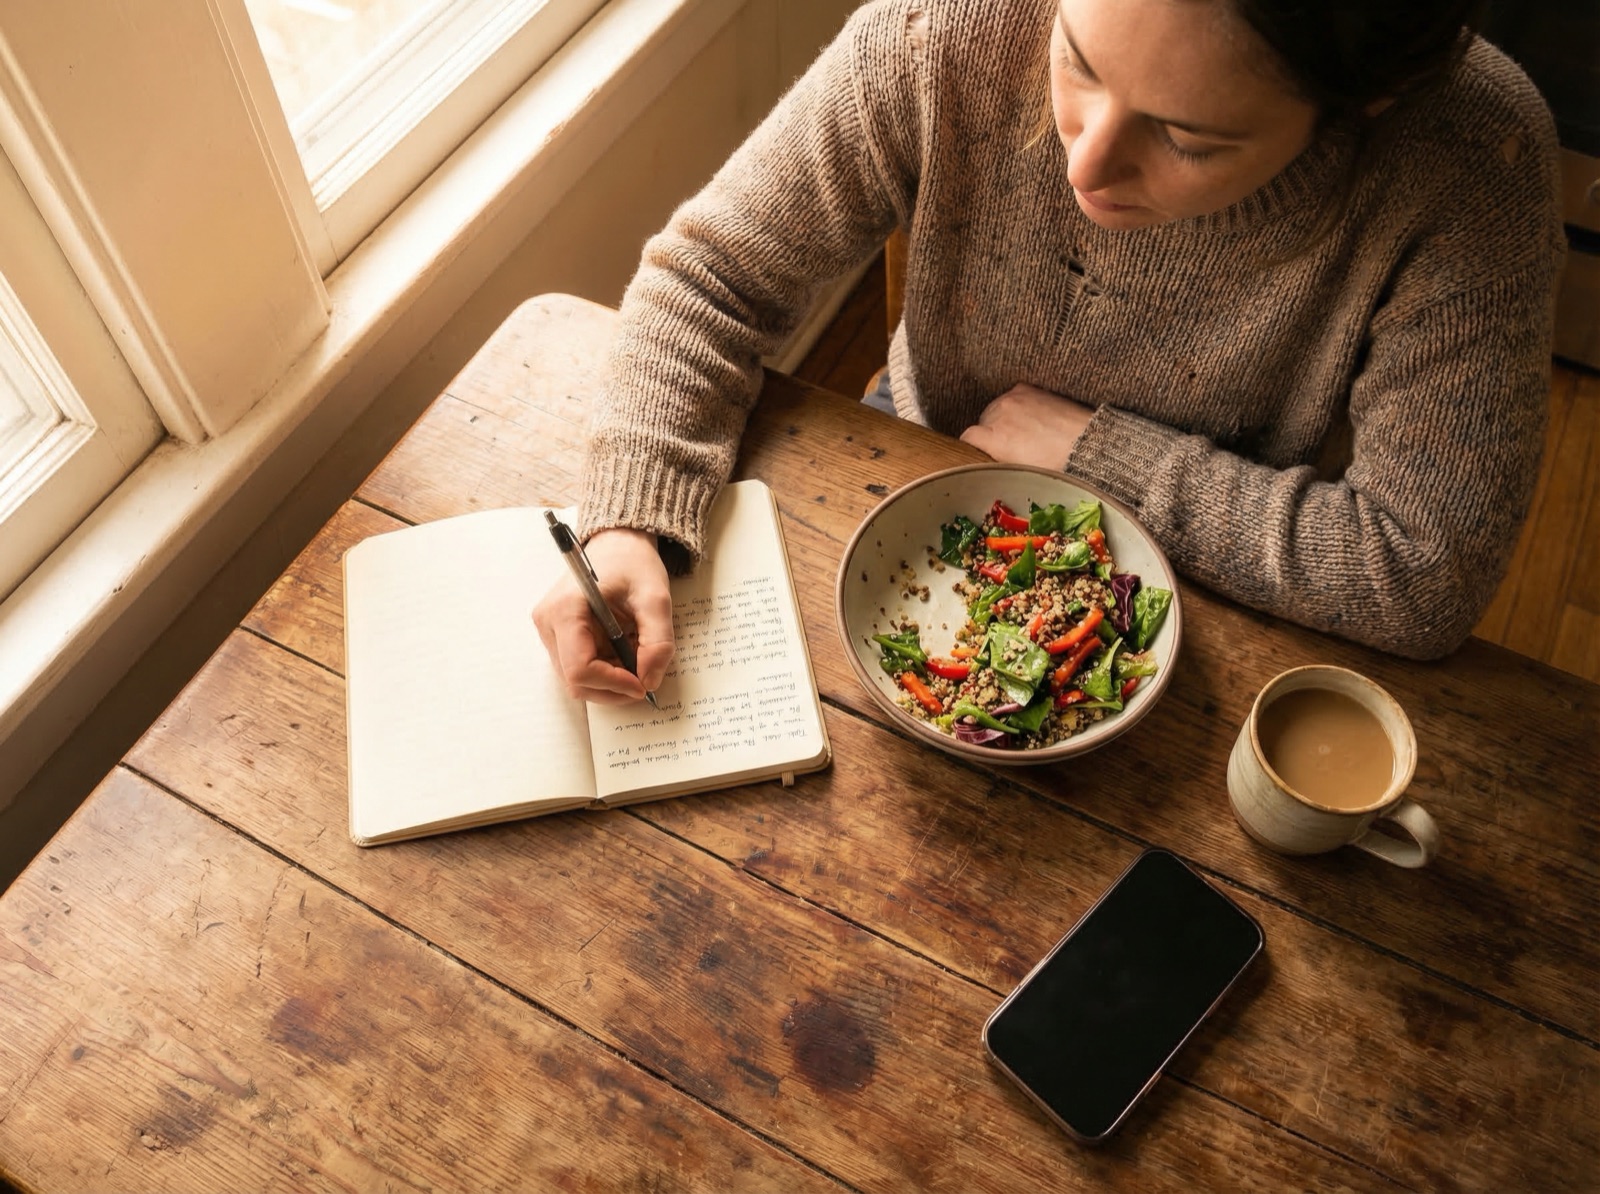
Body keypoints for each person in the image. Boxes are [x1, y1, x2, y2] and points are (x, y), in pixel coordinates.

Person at [534, 0, 1565, 705]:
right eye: (1075, 59)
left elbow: (1420, 570)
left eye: (1187, 137)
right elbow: (713, 277)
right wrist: (630, 515)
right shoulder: (957, 24)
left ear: (1362, 106)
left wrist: (1102, 461)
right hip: (923, 464)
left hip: (1238, 573)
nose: (1084, 159)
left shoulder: (1474, 161)